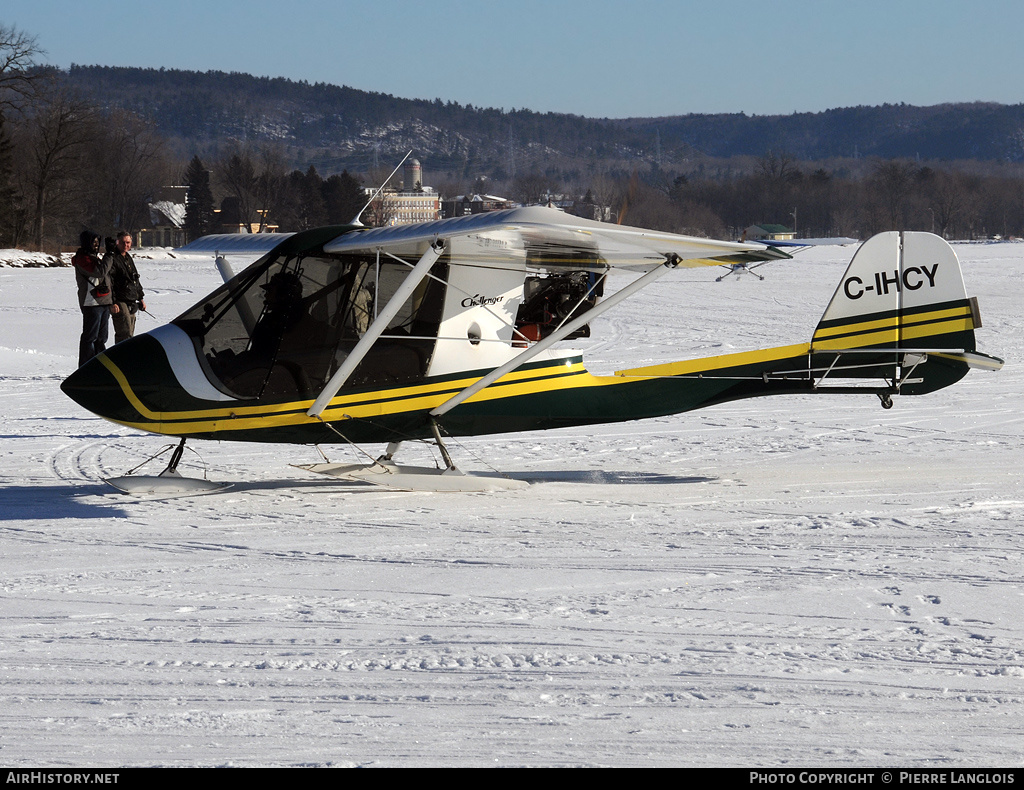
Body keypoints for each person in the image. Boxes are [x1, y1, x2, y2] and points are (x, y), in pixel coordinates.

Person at [72, 230, 114, 367]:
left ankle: (100, 366)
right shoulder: (82, 259)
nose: (96, 245)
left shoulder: (94, 258)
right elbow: (100, 272)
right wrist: (109, 254)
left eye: (98, 242)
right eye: (93, 242)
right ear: (87, 243)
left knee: (101, 338)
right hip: (91, 303)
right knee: (90, 337)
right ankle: (85, 366)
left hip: (103, 301)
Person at [105, 230, 146, 344]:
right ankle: (119, 359)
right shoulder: (113, 258)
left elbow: (135, 279)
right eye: (123, 242)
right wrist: (112, 302)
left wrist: (140, 298)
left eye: (128, 242)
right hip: (119, 300)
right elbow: (108, 281)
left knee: (130, 333)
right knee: (124, 333)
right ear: (117, 242)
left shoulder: (127, 257)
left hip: (130, 299)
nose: (126, 245)